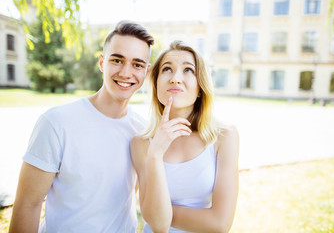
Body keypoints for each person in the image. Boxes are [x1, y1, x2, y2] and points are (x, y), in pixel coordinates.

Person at [9, 20, 154, 233]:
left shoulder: (143, 132)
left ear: (146, 72)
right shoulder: (57, 123)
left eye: (137, 64)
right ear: (101, 62)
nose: (125, 72)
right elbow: (27, 205)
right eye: (117, 60)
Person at [131, 40, 239, 233]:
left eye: (188, 70)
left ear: (200, 87)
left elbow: (220, 224)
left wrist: (160, 212)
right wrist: (155, 154)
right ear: (155, 84)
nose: (175, 78)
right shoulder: (140, 143)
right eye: (166, 69)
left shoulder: (224, 136)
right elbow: (157, 225)